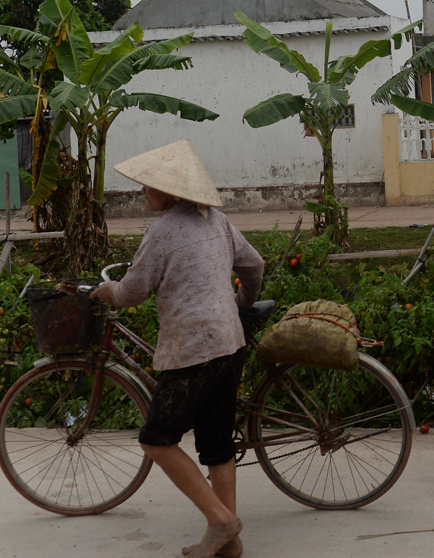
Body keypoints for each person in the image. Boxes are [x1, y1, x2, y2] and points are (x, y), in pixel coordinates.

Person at [91, 139, 263, 558]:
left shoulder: (163, 232)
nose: (142, 191)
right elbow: (254, 265)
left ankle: (220, 521)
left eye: (149, 185)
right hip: (229, 342)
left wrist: (104, 292)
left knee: (157, 441)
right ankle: (230, 541)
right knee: (217, 444)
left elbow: (132, 292)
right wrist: (241, 305)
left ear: (170, 191)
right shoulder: (217, 221)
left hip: (193, 350)